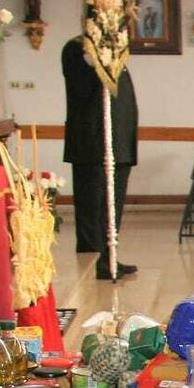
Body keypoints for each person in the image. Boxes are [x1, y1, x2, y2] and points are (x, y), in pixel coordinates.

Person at [62, 33, 139, 279]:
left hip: (119, 145)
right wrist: (94, 57)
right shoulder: (76, 50)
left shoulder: (115, 51)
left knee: (112, 208)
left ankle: (109, 257)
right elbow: (82, 89)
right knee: (92, 208)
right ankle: (93, 261)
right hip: (93, 145)